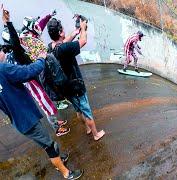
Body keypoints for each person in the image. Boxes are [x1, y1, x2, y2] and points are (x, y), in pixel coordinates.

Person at [0, 44, 83, 179]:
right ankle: (66, 173)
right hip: (27, 119)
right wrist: (40, 59)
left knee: (45, 141)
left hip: (20, 121)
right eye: (2, 51)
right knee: (49, 146)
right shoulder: (3, 69)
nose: (4, 53)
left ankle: (59, 157)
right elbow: (28, 72)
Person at [1, 8, 70, 136]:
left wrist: (49, 15)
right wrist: (7, 23)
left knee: (47, 97)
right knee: (45, 102)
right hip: (30, 80)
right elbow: (17, 45)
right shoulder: (16, 51)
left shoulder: (14, 50)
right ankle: (56, 128)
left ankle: (56, 121)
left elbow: (40, 24)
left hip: (33, 74)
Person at [47, 17, 105, 141]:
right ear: (60, 32)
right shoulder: (65, 48)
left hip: (65, 87)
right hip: (76, 85)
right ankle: (96, 134)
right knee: (86, 110)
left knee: (78, 110)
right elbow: (83, 41)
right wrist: (83, 29)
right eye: (62, 29)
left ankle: (88, 129)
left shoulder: (51, 47)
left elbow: (64, 41)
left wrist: (76, 31)